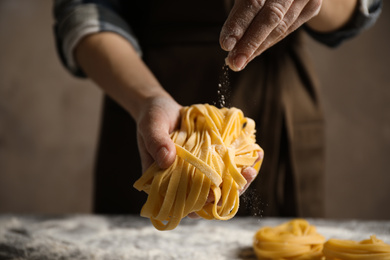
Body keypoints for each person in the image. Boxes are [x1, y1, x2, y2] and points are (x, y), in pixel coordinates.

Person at [53, 0, 381, 217]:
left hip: (282, 105)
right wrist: (146, 99)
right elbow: (84, 9)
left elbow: (359, 10)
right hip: (143, 90)